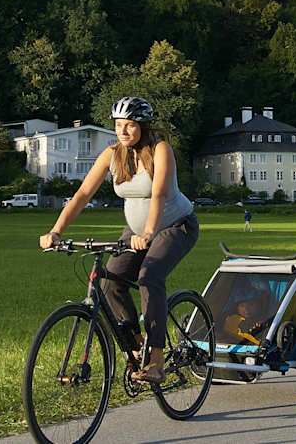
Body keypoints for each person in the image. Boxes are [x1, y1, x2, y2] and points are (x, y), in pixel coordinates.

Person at [39, 96, 198, 383]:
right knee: (110, 281)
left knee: (150, 277)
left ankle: (158, 361)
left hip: (176, 226)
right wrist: (56, 231)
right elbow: (82, 195)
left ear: (143, 126)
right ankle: (137, 348)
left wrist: (149, 233)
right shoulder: (112, 154)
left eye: (130, 125)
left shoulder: (160, 149)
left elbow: (159, 194)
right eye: (118, 125)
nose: (123, 131)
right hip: (135, 231)